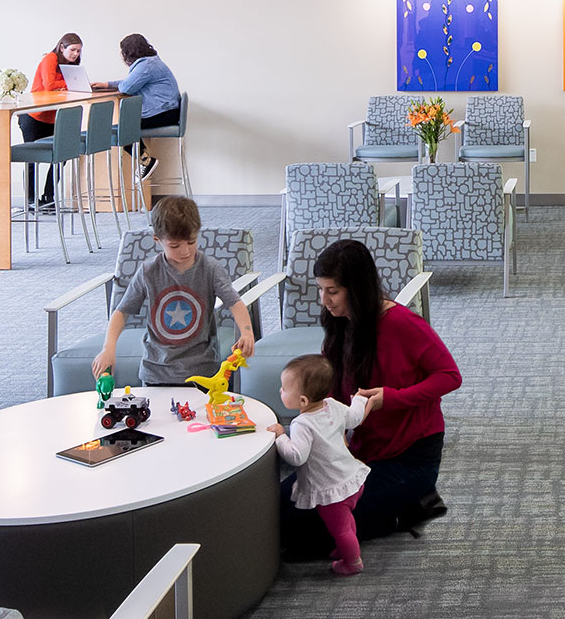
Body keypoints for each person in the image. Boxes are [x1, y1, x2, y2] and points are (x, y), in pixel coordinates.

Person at [281, 238, 462, 553]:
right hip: (362, 453)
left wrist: (389, 398)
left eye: (333, 292)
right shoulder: (340, 324)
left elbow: (449, 376)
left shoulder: (403, 324)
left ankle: (409, 509)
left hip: (409, 458)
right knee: (283, 504)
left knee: (307, 534)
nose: (324, 300)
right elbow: (334, 392)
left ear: (357, 289)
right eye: (320, 290)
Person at [90, 195, 257, 385]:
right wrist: (108, 348)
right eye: (175, 246)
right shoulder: (148, 271)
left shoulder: (209, 268)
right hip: (156, 371)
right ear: (157, 240)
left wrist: (247, 333)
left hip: (202, 371)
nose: (185, 251)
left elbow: (235, 303)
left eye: (191, 242)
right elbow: (122, 311)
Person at [268, 354, 372, 576]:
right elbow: (354, 418)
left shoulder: (301, 424)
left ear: (303, 401)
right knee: (347, 521)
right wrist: (360, 400)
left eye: (284, 389)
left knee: (340, 528)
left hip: (331, 489)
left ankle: (352, 562)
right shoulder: (333, 405)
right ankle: (347, 549)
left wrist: (280, 436)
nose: (280, 391)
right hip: (351, 478)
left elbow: (297, 456)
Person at [92, 32, 180, 180]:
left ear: (128, 53)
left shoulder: (146, 65)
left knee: (124, 127)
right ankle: (145, 159)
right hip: (168, 111)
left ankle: (146, 161)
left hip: (165, 112)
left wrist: (111, 85)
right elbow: (131, 81)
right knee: (125, 126)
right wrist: (107, 85)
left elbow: (127, 87)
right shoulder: (149, 62)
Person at [18, 31, 83, 211]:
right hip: (34, 116)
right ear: (62, 47)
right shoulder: (50, 58)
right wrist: (70, 83)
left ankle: (48, 197)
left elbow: (64, 85)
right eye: (73, 50)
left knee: (61, 155)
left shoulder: (71, 66)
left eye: (78, 51)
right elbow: (49, 85)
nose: (76, 55)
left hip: (53, 118)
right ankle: (30, 199)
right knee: (31, 158)